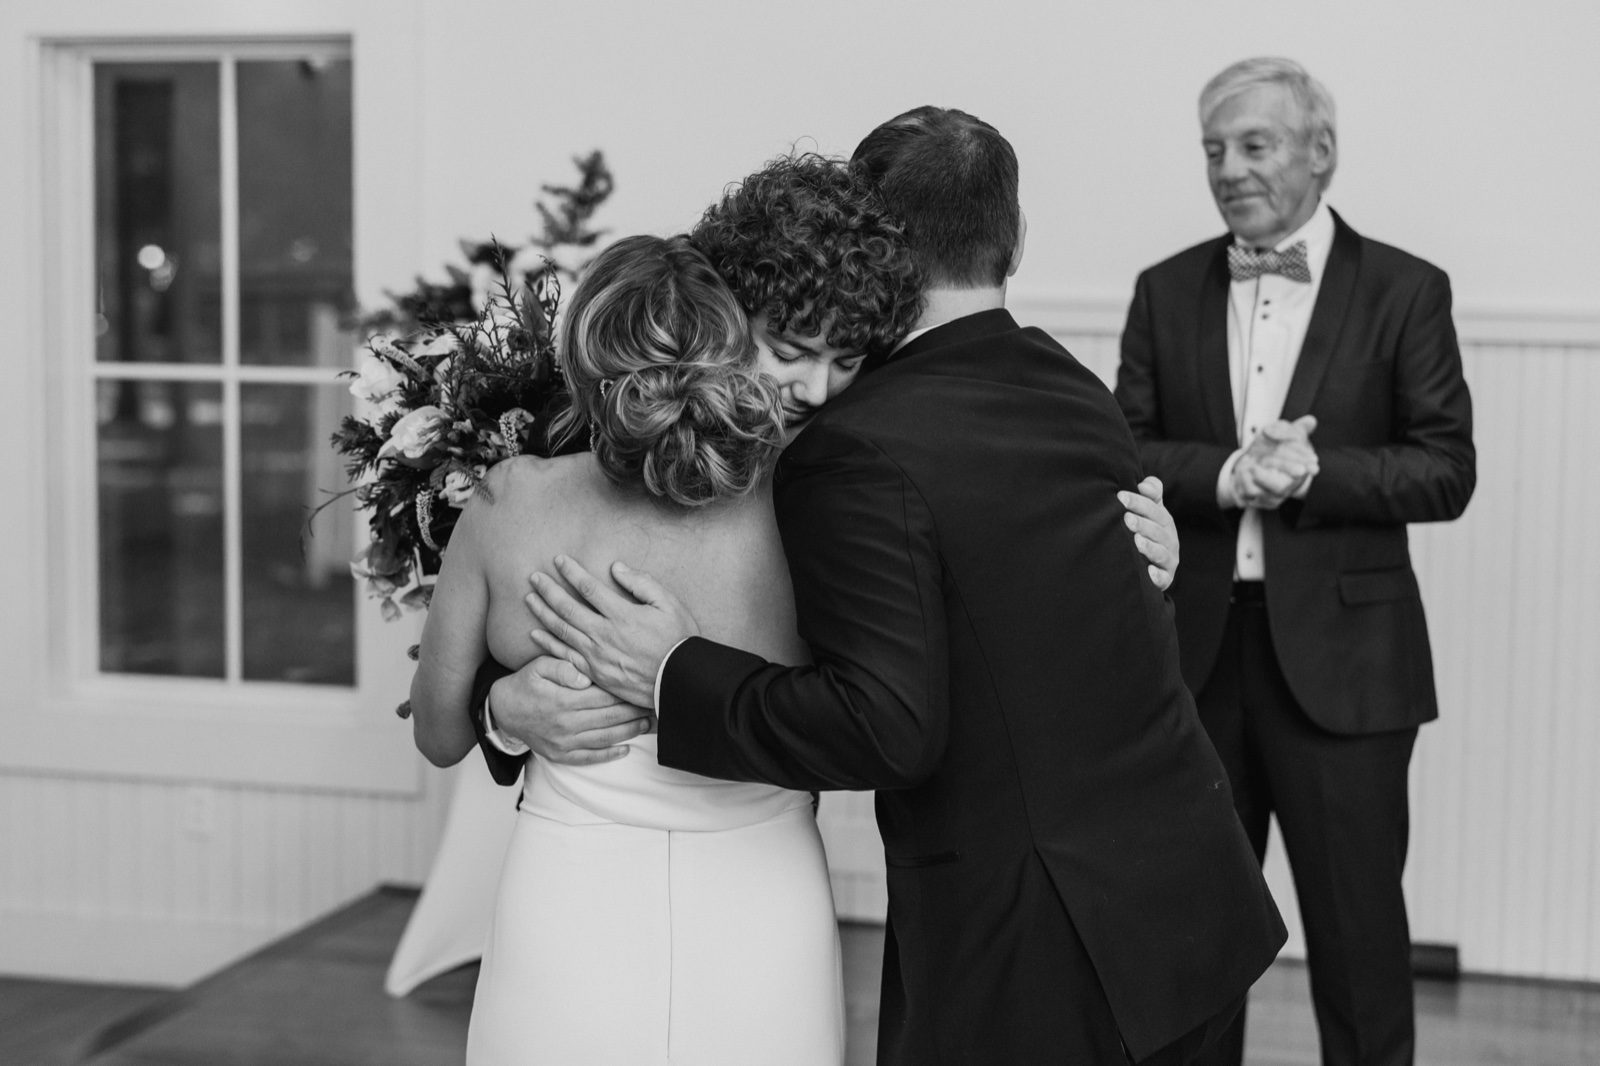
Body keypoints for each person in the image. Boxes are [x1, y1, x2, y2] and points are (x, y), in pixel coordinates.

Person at [511, 111, 1285, 1065]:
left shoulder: (851, 447)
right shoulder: (1071, 385)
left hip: (1040, 949)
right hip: (1189, 904)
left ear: (865, 246)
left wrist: (673, 670)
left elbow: (885, 724)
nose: (814, 380)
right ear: (1015, 240)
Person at [409, 234, 863, 1066]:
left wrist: (501, 712)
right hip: (763, 899)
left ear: (585, 362)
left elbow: (437, 735)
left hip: (567, 898)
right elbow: (869, 712)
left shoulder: (509, 503)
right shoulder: (805, 505)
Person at [1112, 58, 1476, 1066]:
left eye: (1253, 145)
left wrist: (1317, 473)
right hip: (1196, 660)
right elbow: (1123, 449)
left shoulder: (1406, 289)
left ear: (1321, 152)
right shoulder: (1163, 287)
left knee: (1359, 939)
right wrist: (1228, 474)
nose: (1228, 169)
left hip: (1350, 670)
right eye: (1212, 150)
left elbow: (1446, 470)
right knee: (1196, 933)